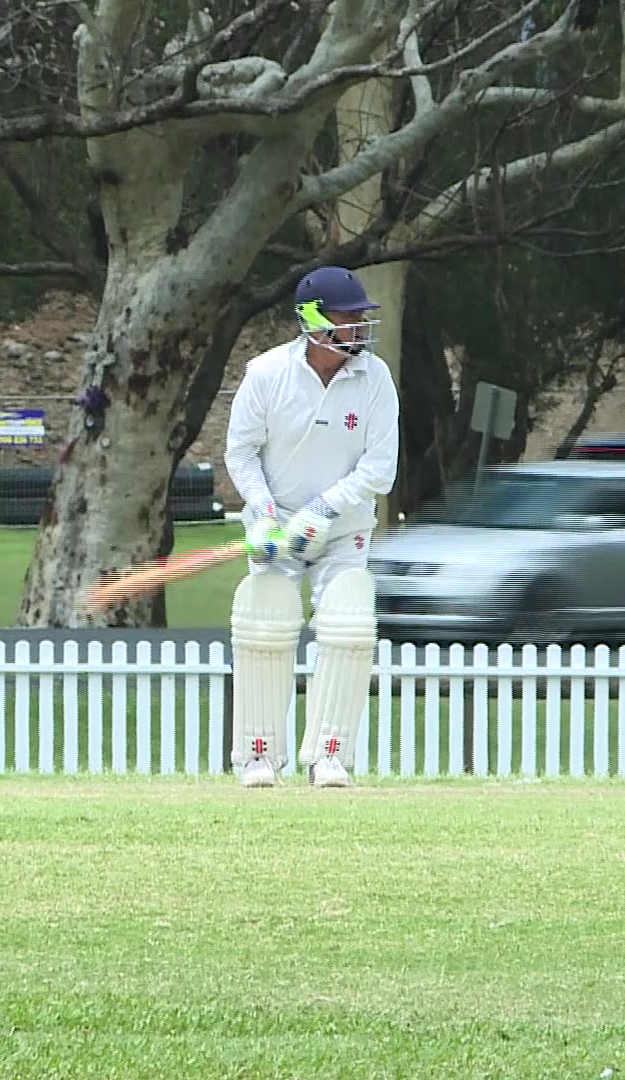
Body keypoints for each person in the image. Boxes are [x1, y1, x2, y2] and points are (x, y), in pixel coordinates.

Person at [223, 266, 399, 788]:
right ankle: (257, 756)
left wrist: (322, 512)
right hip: (277, 529)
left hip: (343, 528)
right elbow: (241, 451)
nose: (360, 326)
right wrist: (265, 510)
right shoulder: (267, 374)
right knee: (264, 625)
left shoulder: (375, 378)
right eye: (349, 316)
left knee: (349, 622)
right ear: (314, 321)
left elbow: (379, 468)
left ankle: (329, 755)